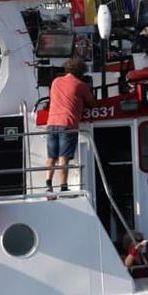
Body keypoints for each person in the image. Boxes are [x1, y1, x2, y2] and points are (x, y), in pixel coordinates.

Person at [44, 58, 93, 194]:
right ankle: (63, 186)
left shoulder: (55, 82)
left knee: (51, 157)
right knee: (63, 157)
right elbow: (91, 102)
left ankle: (48, 183)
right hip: (67, 123)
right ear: (81, 72)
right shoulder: (81, 85)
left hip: (51, 123)